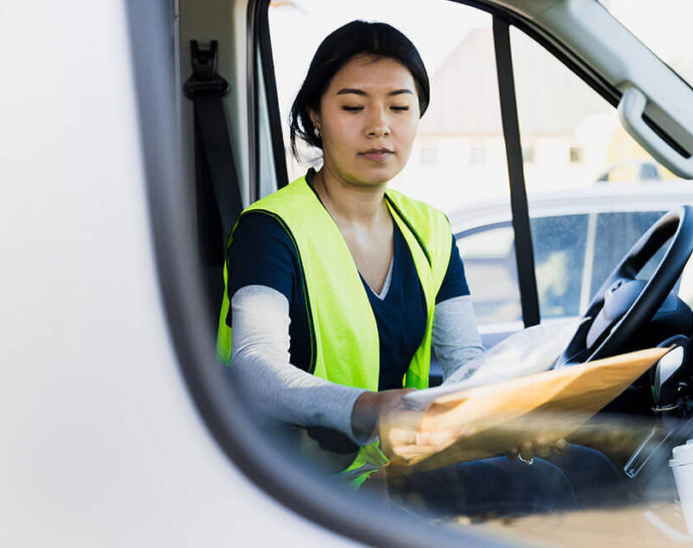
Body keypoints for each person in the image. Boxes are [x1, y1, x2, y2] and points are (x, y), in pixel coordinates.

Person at [216, 20, 622, 513]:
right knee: (543, 488)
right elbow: (256, 368)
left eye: (399, 106)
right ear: (314, 116)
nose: (378, 125)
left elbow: (467, 364)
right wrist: (369, 408)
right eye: (352, 106)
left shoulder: (430, 227)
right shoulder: (270, 228)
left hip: (390, 464)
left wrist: (507, 420)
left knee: (592, 466)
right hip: (295, 485)